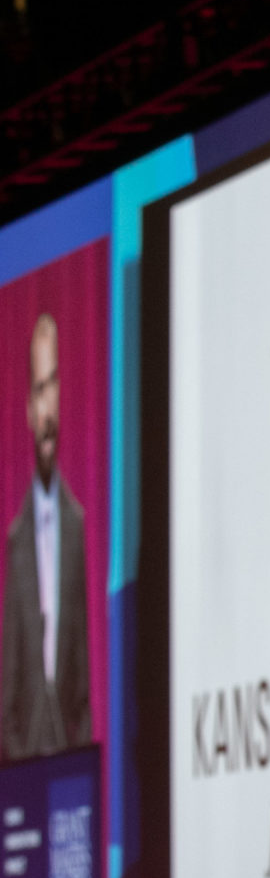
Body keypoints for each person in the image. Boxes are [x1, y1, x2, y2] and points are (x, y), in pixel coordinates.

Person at [2, 313, 92, 759]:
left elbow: (83, 689)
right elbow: (9, 695)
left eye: (54, 384)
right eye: (40, 389)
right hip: (24, 769)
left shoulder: (76, 525)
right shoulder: (16, 542)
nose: (48, 406)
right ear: (27, 411)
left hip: (73, 765)